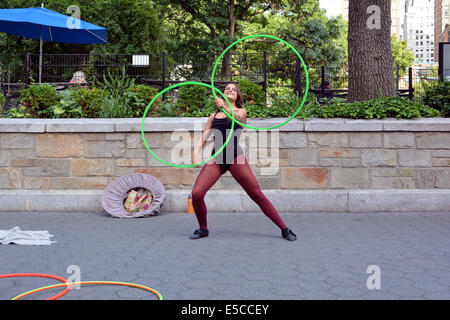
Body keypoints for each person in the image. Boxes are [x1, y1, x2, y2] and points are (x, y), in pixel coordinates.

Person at [189, 83, 297, 241]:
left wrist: (225, 107)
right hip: (217, 158)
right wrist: (196, 152)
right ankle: (203, 229)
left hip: (234, 157)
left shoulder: (240, 111)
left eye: (234, 90)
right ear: (222, 93)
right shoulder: (213, 116)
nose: (230, 90)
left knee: (256, 194)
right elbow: (204, 135)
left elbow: (238, 119)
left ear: (238, 96)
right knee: (196, 194)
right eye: (227, 89)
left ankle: (284, 228)